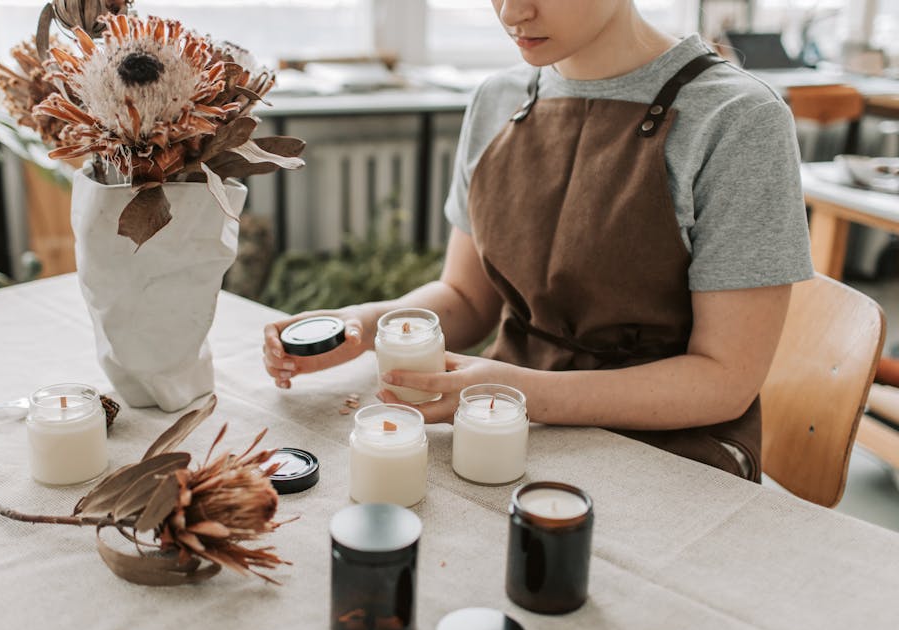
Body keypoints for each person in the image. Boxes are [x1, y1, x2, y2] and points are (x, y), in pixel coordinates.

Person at [261, 0, 814, 481]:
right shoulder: (498, 99)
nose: (511, 12)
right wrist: (364, 327)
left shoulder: (738, 119)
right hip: (501, 420)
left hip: (674, 447)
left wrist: (522, 391)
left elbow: (725, 380)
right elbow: (466, 300)